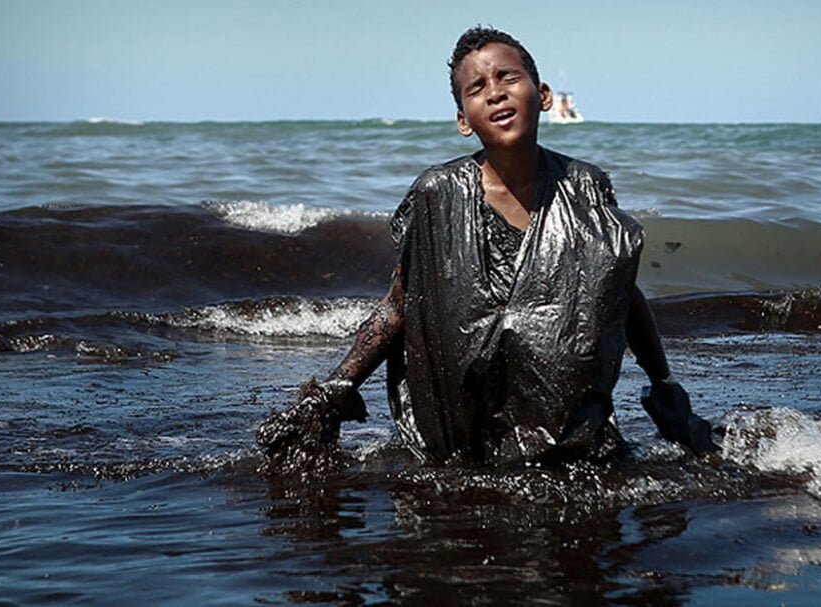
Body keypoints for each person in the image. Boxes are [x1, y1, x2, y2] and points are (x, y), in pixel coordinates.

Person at [257, 26, 716, 472]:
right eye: (476, 88)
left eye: (508, 78)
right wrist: (338, 386)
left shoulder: (585, 186)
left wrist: (664, 385)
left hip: (571, 440)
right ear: (463, 120)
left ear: (544, 95)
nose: (494, 93)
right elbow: (400, 305)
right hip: (465, 443)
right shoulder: (437, 194)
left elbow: (619, 292)